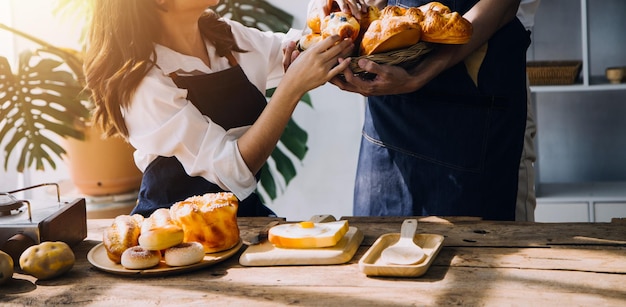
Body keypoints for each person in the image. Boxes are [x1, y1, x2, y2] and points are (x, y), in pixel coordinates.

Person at [84, 0, 353, 218]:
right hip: (174, 236)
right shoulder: (143, 81)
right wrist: (292, 88)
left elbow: (304, 47)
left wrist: (331, 13)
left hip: (240, 218)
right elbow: (233, 172)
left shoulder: (224, 37)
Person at [311, 0, 531, 220]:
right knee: (377, 243)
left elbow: (503, 6)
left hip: (473, 97)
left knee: (478, 245)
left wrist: (422, 73)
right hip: (389, 108)